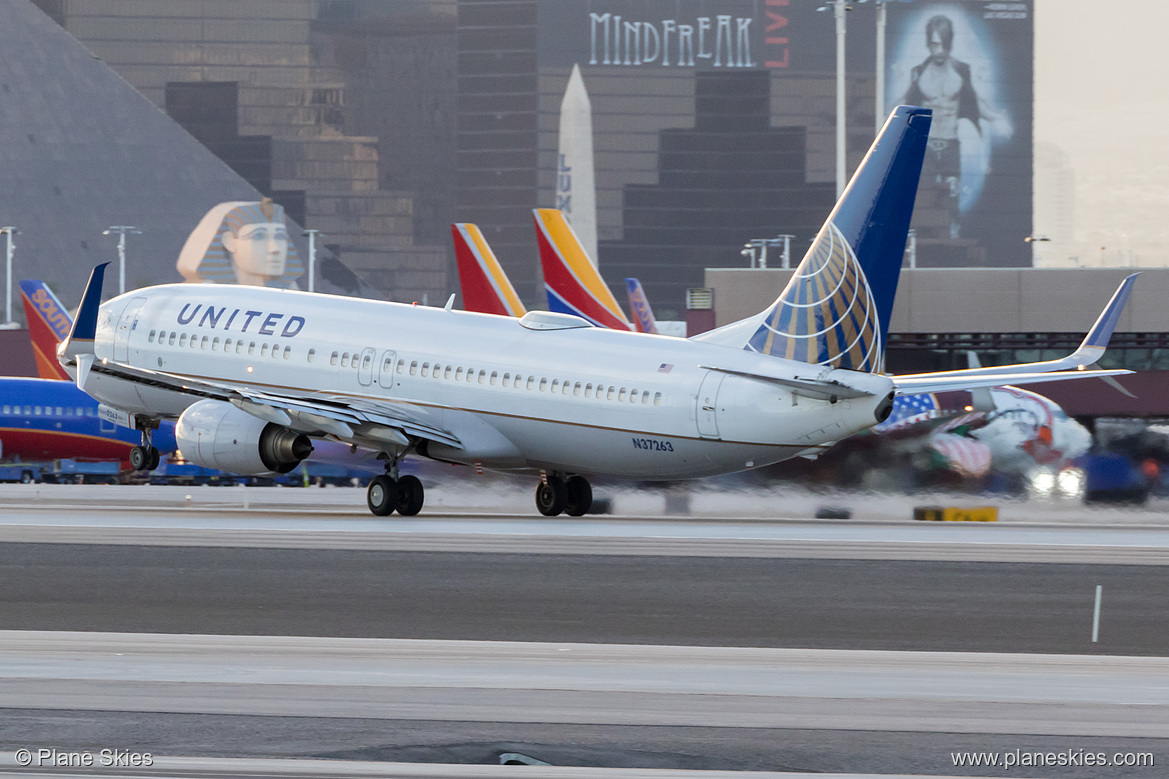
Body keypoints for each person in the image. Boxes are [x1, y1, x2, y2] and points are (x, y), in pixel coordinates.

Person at [902, 15, 1010, 239]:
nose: (938, 50)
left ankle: (950, 243)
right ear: (927, 43)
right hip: (927, 148)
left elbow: (976, 102)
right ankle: (922, 244)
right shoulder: (919, 73)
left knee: (952, 203)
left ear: (949, 42)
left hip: (951, 145)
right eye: (933, 44)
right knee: (924, 202)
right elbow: (903, 102)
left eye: (942, 43)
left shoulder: (961, 71)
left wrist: (997, 118)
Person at [176, 198, 304, 288]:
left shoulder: (289, 296)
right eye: (258, 236)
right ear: (229, 242)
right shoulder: (203, 296)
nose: (274, 248)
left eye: (280, 236)